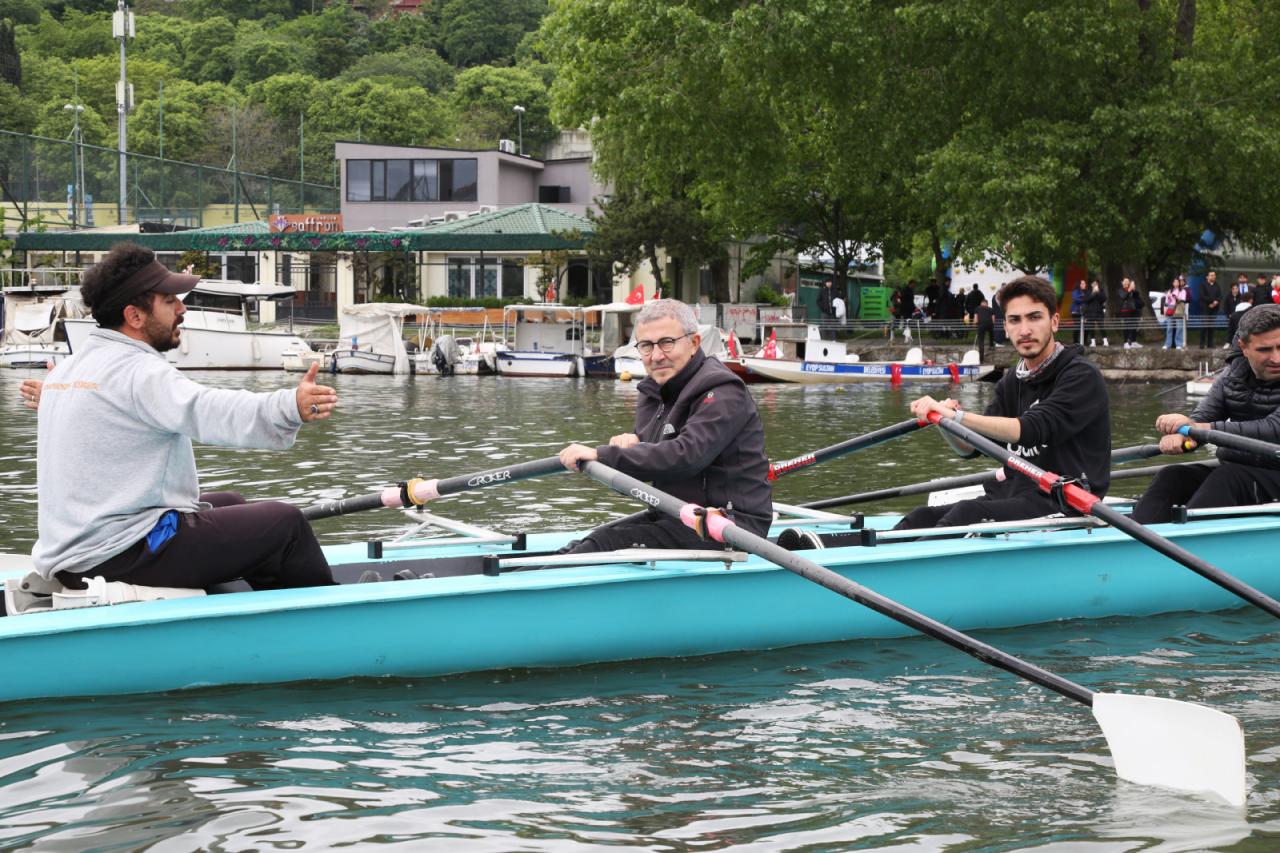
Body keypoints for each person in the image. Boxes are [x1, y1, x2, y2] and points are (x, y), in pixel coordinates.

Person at [32, 242, 338, 594]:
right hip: (119, 554)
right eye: (169, 301)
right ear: (134, 316)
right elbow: (208, 410)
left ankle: (249, 608)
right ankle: (327, 625)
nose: (182, 308)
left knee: (232, 503)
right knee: (286, 524)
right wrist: (288, 406)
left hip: (76, 552)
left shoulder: (68, 369)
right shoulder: (138, 372)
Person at [895, 275, 1111, 530]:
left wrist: (957, 418)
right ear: (1005, 328)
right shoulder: (1011, 382)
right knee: (920, 517)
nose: (1025, 330)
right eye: (1015, 320)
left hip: (1064, 501)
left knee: (966, 513)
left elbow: (1031, 430)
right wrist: (945, 423)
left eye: (1034, 317)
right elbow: (974, 448)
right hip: (1014, 493)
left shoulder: (1081, 376)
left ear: (1054, 322)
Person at [557, 299, 772, 552]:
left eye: (667, 343)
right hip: (680, 515)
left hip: (733, 525)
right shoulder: (652, 393)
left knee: (603, 545)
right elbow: (649, 467)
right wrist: (632, 446)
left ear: (694, 343)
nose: (656, 356)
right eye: (646, 346)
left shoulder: (723, 391)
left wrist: (602, 455)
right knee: (586, 542)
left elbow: (686, 456)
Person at [1130, 304, 1280, 523]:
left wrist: (1198, 429)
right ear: (1243, 347)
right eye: (1265, 350)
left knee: (1228, 478)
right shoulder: (1232, 376)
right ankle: (1133, 541)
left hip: (1265, 475)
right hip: (1244, 473)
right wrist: (1184, 435)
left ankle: (1181, 544)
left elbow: (1273, 429)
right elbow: (1202, 418)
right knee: (1172, 475)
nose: (1276, 358)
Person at [1198, 270, 1222, 349]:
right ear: (1207, 277)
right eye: (1211, 275)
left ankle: (1210, 343)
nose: (1213, 276)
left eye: (1214, 275)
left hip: (1214, 309)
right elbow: (1202, 296)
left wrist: (1216, 302)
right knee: (1204, 326)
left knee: (1212, 326)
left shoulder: (1217, 285)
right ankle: (1202, 344)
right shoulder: (1203, 285)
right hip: (1205, 308)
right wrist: (1212, 301)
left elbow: (1220, 296)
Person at [1163, 277, 1188, 349]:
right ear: (1173, 283)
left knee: (1179, 327)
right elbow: (1166, 302)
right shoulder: (1170, 291)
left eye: (1177, 282)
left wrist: (1176, 297)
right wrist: (1165, 310)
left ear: (1179, 283)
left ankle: (1179, 344)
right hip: (1170, 308)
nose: (1176, 283)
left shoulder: (1183, 291)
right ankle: (1168, 344)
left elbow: (1183, 300)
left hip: (1178, 309)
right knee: (1169, 327)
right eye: (1174, 282)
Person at [1118, 277, 1143, 348]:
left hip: (1134, 310)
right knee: (1127, 326)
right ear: (1122, 282)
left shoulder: (1132, 290)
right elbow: (1123, 297)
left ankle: (1133, 341)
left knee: (1134, 326)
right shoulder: (1121, 290)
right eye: (1125, 281)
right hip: (1125, 311)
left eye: (1128, 281)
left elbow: (1137, 295)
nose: (1126, 283)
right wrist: (1129, 290)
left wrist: (1133, 289)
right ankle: (1126, 342)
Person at [1085, 279, 1107, 347]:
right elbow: (1086, 300)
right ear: (1091, 285)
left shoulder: (1101, 291)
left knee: (1101, 327)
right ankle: (1093, 342)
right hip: (1090, 313)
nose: (1095, 285)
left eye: (1096, 284)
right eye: (1093, 283)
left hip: (1099, 312)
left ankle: (1105, 341)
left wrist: (1098, 293)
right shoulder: (1088, 291)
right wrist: (1093, 293)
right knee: (1091, 327)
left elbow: (1103, 299)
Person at [973, 297, 995, 362]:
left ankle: (981, 358)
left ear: (981, 303)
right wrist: (992, 325)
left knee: (981, 340)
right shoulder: (991, 309)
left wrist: (975, 325)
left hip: (981, 324)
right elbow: (993, 320)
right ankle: (991, 346)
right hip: (989, 324)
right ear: (987, 304)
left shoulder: (977, 308)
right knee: (991, 333)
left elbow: (976, 319)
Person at [1070, 280, 1088, 344]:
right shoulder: (1075, 291)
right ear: (1079, 285)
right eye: (1083, 283)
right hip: (1076, 311)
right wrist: (1083, 298)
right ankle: (1075, 342)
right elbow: (1076, 299)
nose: (1084, 285)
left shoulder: (1086, 292)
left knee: (1086, 327)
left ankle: (1084, 341)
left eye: (1085, 283)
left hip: (1084, 312)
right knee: (1077, 327)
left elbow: (1088, 299)